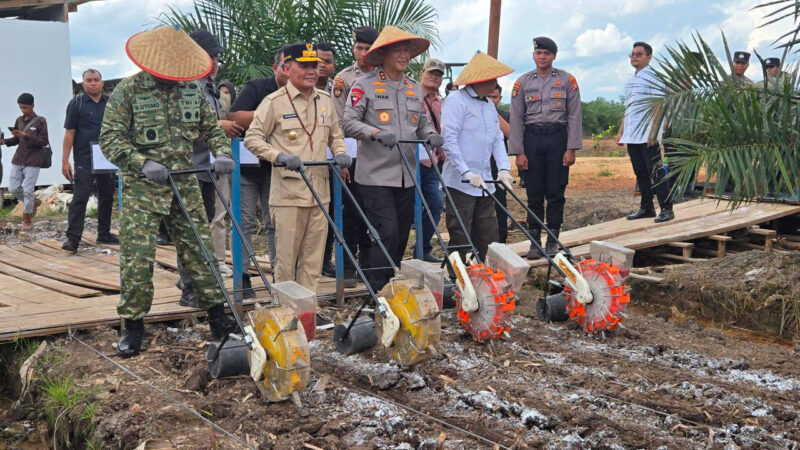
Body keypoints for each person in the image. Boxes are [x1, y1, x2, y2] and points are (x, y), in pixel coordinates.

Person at [100, 26, 237, 357]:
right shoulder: (128, 92)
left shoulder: (191, 90)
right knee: (137, 258)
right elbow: (110, 139)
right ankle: (133, 326)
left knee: (201, 252)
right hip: (143, 190)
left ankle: (219, 318)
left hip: (185, 183)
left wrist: (222, 153)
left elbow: (211, 128)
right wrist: (141, 162)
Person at [341, 26, 443, 291]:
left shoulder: (412, 88)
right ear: (384, 54)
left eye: (406, 50)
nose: (404, 55)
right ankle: (376, 291)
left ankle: (389, 286)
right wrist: (375, 133)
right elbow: (348, 123)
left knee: (398, 237)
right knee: (385, 232)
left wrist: (431, 134)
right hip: (375, 176)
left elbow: (421, 123)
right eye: (398, 50)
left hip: (406, 176)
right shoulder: (364, 85)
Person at [244, 43, 349, 292]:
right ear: (287, 68)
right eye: (304, 66)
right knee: (286, 261)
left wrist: (341, 153)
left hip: (319, 193)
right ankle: (285, 314)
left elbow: (336, 135)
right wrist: (278, 156)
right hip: (288, 195)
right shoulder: (274, 102)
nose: (312, 71)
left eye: (315, 65)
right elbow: (252, 138)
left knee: (312, 261)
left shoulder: (324, 100)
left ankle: (307, 312)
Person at [509, 37, 582, 258]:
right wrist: (519, 152)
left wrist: (571, 148)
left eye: (547, 53)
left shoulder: (567, 80)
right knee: (533, 193)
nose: (542, 57)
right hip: (532, 141)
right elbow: (516, 119)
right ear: (533, 55)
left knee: (555, 191)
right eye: (539, 53)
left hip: (558, 141)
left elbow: (574, 115)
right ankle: (534, 242)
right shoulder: (522, 83)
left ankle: (552, 240)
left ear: (554, 56)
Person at [442, 51, 514, 261]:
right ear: (479, 79)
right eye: (491, 78)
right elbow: (449, 139)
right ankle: (459, 280)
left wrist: (503, 169)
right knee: (461, 234)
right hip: (461, 182)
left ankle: (487, 277)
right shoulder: (457, 101)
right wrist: (466, 172)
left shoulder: (487, 105)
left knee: (488, 234)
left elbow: (497, 139)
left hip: (485, 182)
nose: (495, 82)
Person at [228, 46, 288, 297]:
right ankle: (242, 278)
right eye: (286, 65)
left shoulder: (305, 92)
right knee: (244, 222)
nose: (291, 70)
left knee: (277, 223)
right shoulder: (256, 87)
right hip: (249, 167)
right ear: (276, 68)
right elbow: (235, 118)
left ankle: (280, 276)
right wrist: (270, 113)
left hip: (279, 168)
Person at [327, 26, 378, 285]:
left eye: (368, 48)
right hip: (353, 155)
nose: (363, 53)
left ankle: (368, 266)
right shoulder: (344, 78)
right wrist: (343, 157)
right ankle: (347, 265)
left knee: (372, 210)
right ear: (353, 48)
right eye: (359, 48)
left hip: (379, 156)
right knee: (349, 211)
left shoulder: (385, 76)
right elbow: (338, 122)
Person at [616, 41, 674, 224]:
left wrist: (654, 133)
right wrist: (621, 131)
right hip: (632, 134)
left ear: (649, 56)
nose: (634, 57)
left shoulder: (653, 77)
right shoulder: (631, 80)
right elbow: (628, 108)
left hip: (647, 134)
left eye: (639, 54)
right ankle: (646, 208)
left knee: (656, 171)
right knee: (640, 171)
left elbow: (659, 105)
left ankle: (666, 208)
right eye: (632, 54)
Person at [60, 70, 116, 250]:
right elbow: (69, 133)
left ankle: (104, 234)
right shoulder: (76, 104)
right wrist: (65, 160)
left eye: (96, 80)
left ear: (102, 82)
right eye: (89, 80)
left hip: (107, 156)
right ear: (83, 84)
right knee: (80, 197)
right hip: (84, 157)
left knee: (107, 196)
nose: (93, 83)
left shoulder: (110, 104)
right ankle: (73, 239)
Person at [2, 93, 48, 231]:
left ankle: (26, 219)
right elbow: (16, 140)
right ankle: (33, 202)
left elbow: (44, 141)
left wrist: (26, 135)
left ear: (33, 106)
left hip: (33, 161)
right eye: (21, 107)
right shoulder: (19, 120)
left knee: (28, 191)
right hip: (18, 159)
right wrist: (4, 141)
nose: (23, 110)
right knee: (13, 188)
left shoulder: (41, 121)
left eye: (25, 107)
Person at [416, 58, 446, 263]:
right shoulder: (410, 96)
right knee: (409, 208)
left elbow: (442, 130)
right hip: (410, 161)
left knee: (435, 205)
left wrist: (441, 153)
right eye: (431, 72)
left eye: (438, 74)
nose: (434, 77)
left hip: (432, 161)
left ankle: (422, 247)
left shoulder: (441, 102)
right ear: (421, 73)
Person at [488, 83, 511, 242]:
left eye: (494, 97)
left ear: (500, 98)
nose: (491, 100)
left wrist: (493, 113)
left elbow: (511, 133)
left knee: (500, 205)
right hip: (477, 167)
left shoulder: (505, 116)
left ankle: (501, 240)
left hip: (498, 168)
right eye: (488, 96)